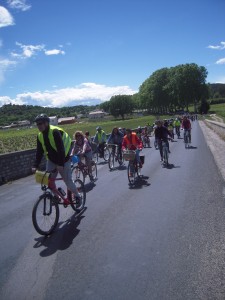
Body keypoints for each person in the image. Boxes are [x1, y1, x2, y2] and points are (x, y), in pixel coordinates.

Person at [32, 114, 81, 205]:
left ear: (46, 123)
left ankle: (78, 195)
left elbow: (61, 149)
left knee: (68, 181)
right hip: (51, 159)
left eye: (40, 123)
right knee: (48, 181)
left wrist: (60, 164)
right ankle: (57, 197)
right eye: (37, 124)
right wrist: (35, 165)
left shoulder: (54, 131)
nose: (39, 126)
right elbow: (39, 151)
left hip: (64, 158)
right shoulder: (40, 136)